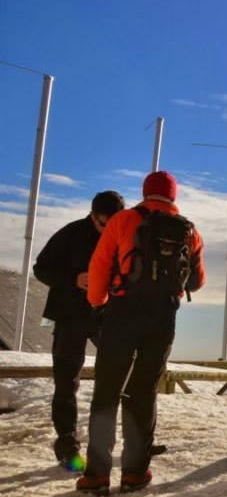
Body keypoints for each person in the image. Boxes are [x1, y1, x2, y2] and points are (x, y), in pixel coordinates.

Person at [76, 172, 205, 496]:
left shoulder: (124, 220)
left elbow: (100, 265)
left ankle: (96, 475)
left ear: (145, 192)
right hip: (163, 317)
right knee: (143, 392)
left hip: (123, 312)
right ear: (173, 196)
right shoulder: (190, 231)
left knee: (107, 390)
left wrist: (98, 303)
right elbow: (196, 281)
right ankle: (134, 473)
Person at [34, 190, 125, 471]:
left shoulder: (123, 235)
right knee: (66, 382)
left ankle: (113, 444)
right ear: (92, 214)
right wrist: (74, 279)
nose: (107, 229)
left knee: (117, 376)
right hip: (69, 315)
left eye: (114, 223)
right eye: (103, 223)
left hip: (106, 316)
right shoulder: (70, 234)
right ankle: (67, 447)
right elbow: (41, 269)